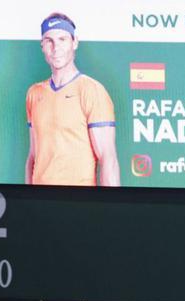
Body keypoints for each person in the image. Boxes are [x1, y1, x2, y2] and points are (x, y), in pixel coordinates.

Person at [25, 13, 120, 187]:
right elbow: (33, 155)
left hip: (79, 201)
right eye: (49, 41)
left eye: (62, 39)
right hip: (40, 202)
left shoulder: (92, 90)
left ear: (74, 42)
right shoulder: (34, 93)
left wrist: (112, 208)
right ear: (42, 45)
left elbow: (108, 158)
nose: (56, 48)